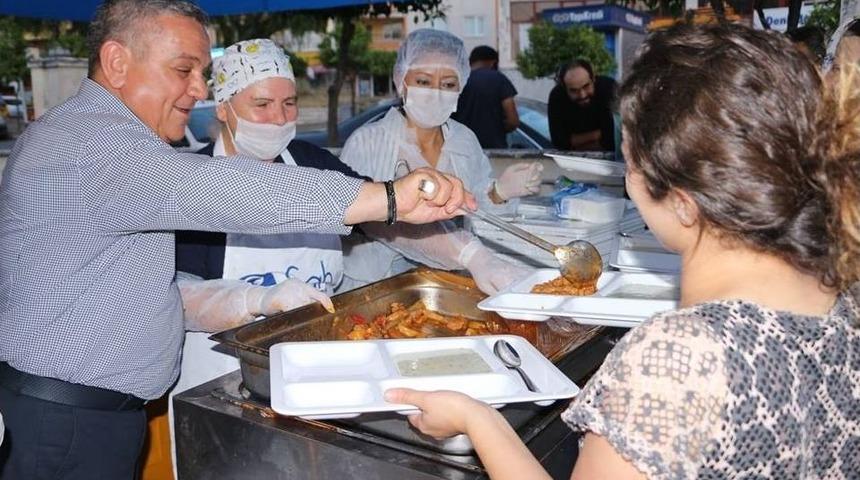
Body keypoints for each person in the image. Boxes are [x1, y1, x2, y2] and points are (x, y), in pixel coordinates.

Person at [0, 1, 473, 478]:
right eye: (183, 69)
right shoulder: (92, 143)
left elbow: (147, 282)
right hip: (67, 422)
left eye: (202, 72)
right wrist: (388, 197)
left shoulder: (107, 139)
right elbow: (222, 188)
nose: (198, 88)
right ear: (117, 62)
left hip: (88, 412)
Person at [385, 23, 860, 479]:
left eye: (630, 160)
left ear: (680, 200)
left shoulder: (673, 362)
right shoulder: (845, 299)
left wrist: (477, 419)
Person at [340, 29, 541, 294]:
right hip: (373, 288)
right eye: (423, 81)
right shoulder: (367, 142)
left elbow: (474, 212)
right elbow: (375, 221)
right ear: (401, 81)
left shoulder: (464, 140)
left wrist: (498, 193)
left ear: (461, 87)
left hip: (446, 286)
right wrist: (470, 254)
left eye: (447, 84)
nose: (436, 93)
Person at [450, 45, 519, 149]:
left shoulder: (457, 81)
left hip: (460, 151)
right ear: (493, 62)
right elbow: (512, 121)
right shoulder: (499, 79)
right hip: (494, 151)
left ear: (471, 61)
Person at [547, 59, 617, 151]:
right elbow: (559, 143)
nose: (582, 95)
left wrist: (575, 142)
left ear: (593, 79)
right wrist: (598, 134)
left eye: (586, 86)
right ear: (564, 89)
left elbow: (614, 139)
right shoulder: (557, 97)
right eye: (574, 90)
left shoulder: (609, 89)